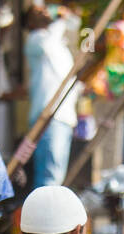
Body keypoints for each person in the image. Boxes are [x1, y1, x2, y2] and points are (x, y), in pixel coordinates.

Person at [24, 3, 78, 189]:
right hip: (48, 116)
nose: (45, 12)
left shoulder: (59, 45)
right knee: (48, 175)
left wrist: (64, 16)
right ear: (29, 23)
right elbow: (49, 43)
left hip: (64, 117)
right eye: (37, 12)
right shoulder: (35, 40)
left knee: (56, 175)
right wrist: (60, 20)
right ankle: (42, 216)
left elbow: (75, 22)